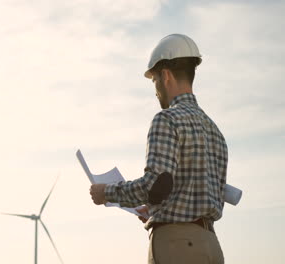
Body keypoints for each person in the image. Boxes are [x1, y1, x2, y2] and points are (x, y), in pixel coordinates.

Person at [89, 34, 227, 264]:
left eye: (154, 80)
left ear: (165, 75)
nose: (155, 89)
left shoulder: (167, 119)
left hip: (177, 245)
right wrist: (154, 208)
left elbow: (155, 185)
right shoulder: (214, 130)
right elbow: (189, 191)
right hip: (211, 245)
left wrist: (107, 193)